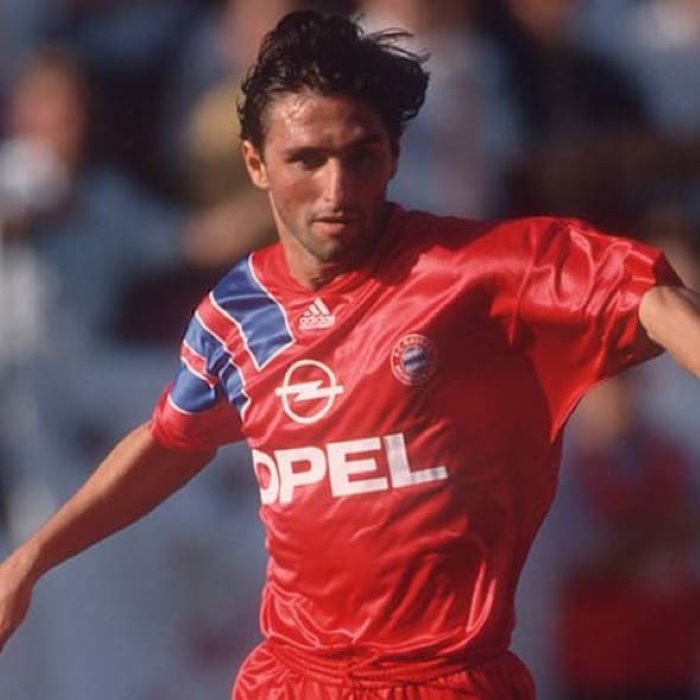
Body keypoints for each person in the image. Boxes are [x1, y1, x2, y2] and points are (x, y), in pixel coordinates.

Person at [0, 10, 699, 699]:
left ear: (392, 156)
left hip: (445, 683)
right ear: (256, 164)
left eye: (359, 155)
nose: (336, 189)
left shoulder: (478, 271)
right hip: (289, 681)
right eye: (307, 159)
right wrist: (31, 559)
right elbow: (170, 440)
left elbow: (654, 298)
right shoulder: (238, 310)